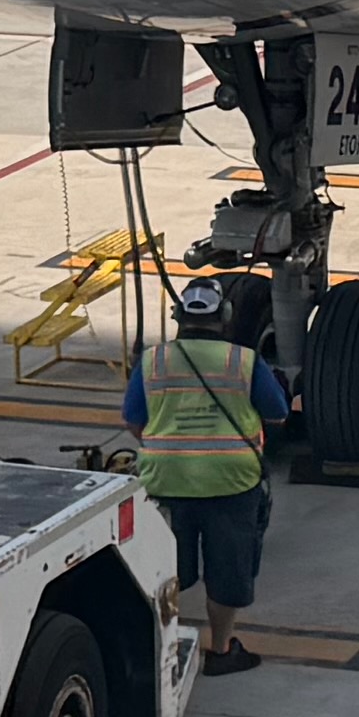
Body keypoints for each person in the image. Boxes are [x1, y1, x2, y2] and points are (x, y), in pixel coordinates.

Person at [125, 271, 291, 671]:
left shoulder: (153, 361)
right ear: (226, 316)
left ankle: (161, 647)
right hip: (230, 482)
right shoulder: (243, 362)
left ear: (179, 315)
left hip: (165, 481)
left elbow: (133, 420)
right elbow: (279, 414)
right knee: (228, 568)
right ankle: (220, 650)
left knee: (168, 567)